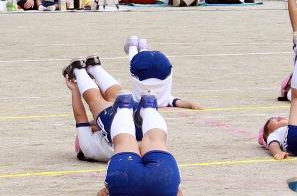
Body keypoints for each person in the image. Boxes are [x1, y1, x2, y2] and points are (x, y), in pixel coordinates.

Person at [72, 91, 202, 196]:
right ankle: (124, 106)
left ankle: (149, 107)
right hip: (125, 186)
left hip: (161, 185)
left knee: (155, 140)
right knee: (124, 141)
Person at [66, 53, 198, 161]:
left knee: (112, 98)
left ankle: (92, 69)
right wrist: (75, 89)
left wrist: (74, 91)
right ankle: (84, 68)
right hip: (119, 133)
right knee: (96, 99)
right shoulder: (88, 148)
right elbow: (80, 117)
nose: (91, 123)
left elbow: (81, 118)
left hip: (139, 136)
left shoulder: (92, 149)